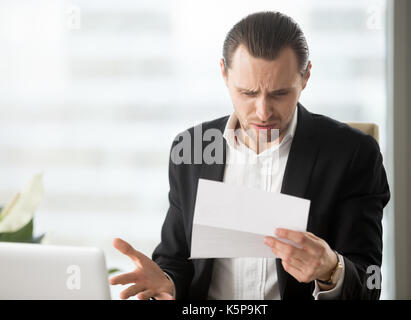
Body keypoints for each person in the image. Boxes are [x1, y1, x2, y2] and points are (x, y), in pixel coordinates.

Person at [109, 11, 390, 300]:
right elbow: (176, 260)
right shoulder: (191, 148)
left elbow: (369, 284)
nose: (263, 112)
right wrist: (168, 282)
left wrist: (331, 269)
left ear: (305, 77)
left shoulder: (352, 155)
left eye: (279, 93)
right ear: (224, 74)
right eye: (248, 92)